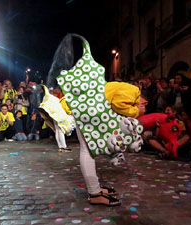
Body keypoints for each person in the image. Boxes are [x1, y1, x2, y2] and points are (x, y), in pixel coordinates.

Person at [52, 34, 146, 206]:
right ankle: (94, 193)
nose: (145, 106)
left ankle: (95, 188)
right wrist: (136, 111)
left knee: (88, 151)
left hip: (84, 112)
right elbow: (119, 105)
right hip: (88, 114)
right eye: (145, 104)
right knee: (87, 152)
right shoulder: (133, 91)